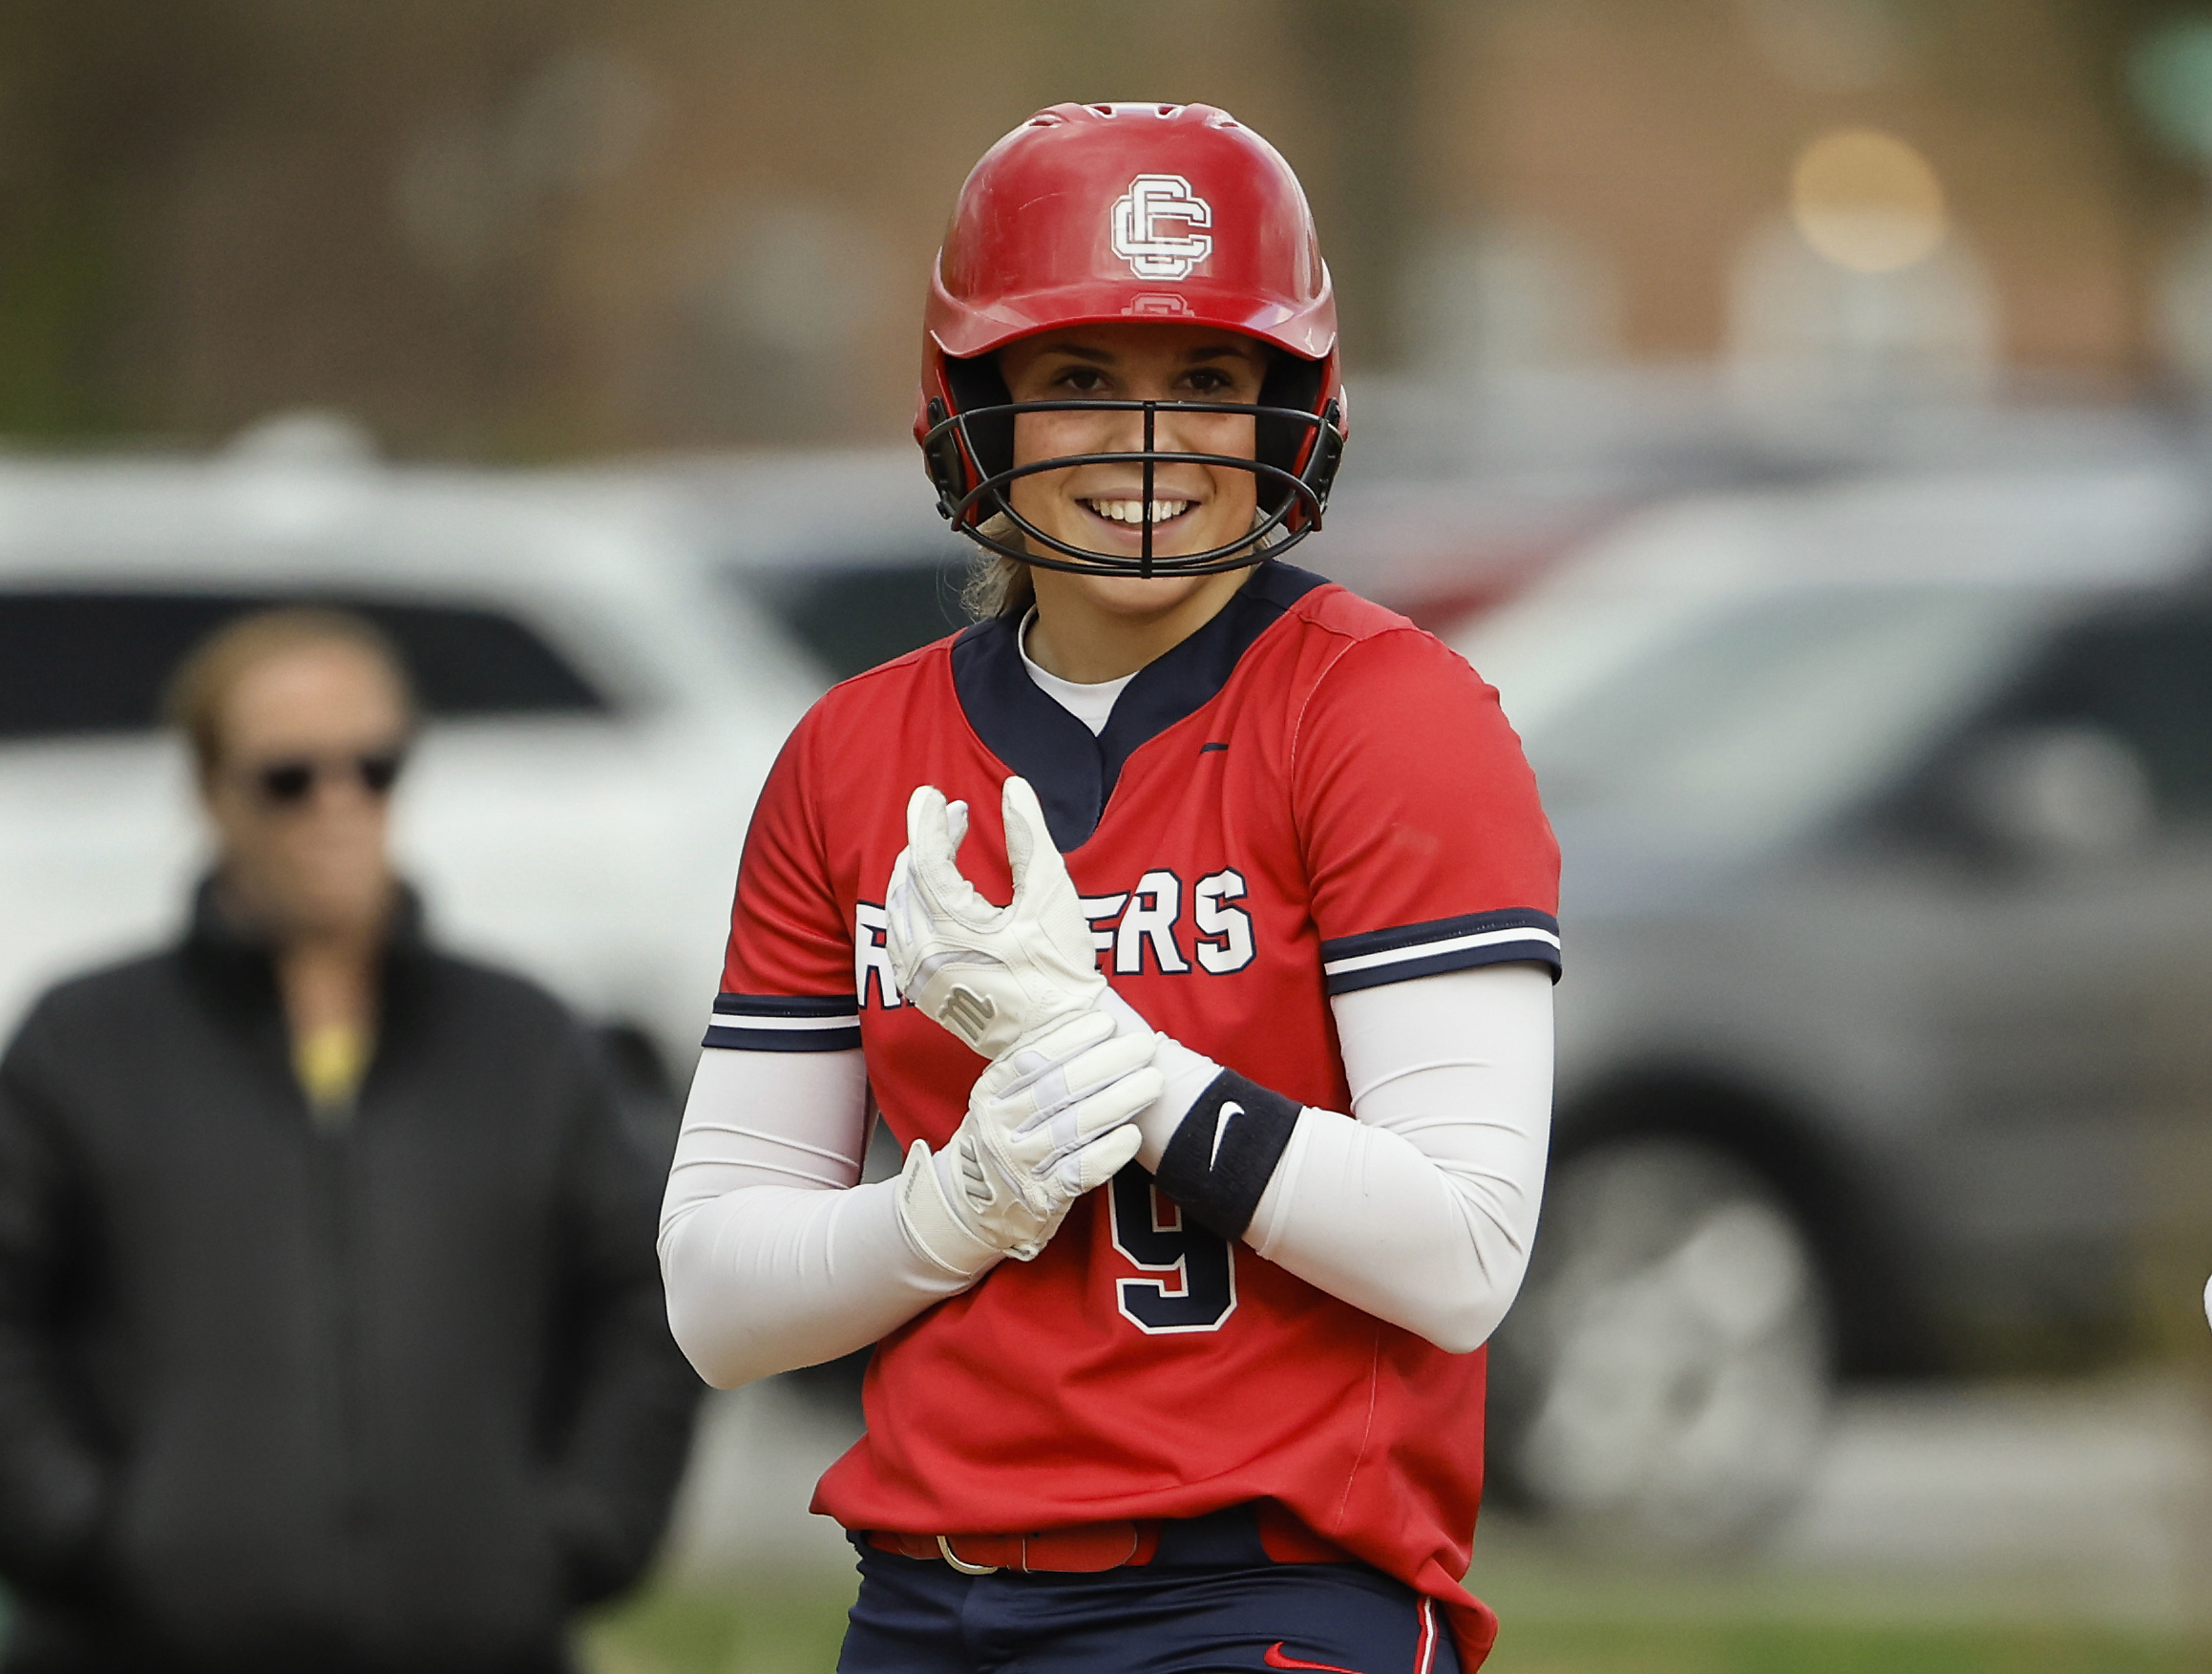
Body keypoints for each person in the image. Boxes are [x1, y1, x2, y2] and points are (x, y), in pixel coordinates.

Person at [659, 103, 1558, 1673]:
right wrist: (948, 1209)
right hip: (922, 1593)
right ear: (978, 402)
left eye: (1205, 381)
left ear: (1290, 403)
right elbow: (719, 1298)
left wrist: (1124, 1069)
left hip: (1256, 1586)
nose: (1146, 439)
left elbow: (1461, 1252)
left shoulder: (1381, 713)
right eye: (1079, 379)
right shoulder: (851, 752)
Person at [0, 608, 701, 1674]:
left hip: (477, 1643)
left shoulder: (524, 1038)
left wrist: (580, 1530)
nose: (337, 804)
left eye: (372, 767)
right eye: (288, 776)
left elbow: (645, 1300)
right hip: (135, 1645)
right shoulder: (82, 1039)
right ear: (208, 790)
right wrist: (80, 1530)